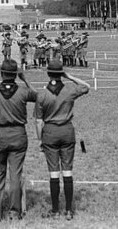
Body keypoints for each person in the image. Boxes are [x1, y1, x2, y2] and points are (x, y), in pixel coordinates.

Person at [0, 59, 37, 221]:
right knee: (15, 176)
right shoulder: (23, 91)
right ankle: (14, 211)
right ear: (15, 75)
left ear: (2, 73)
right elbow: (38, 96)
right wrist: (25, 79)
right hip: (18, 135)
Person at [34, 59, 91, 220]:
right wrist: (70, 76)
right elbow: (86, 86)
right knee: (67, 171)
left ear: (48, 73)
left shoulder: (42, 94)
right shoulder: (69, 90)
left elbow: (38, 121)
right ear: (61, 74)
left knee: (53, 173)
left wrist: (40, 140)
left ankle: (55, 209)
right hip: (67, 131)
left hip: (50, 132)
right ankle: (68, 210)